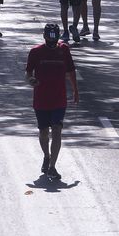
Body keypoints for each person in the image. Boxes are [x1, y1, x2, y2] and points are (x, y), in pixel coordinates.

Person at [25, 24, 79, 180]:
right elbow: (28, 73)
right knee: (43, 132)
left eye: (54, 42)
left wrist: (75, 90)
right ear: (44, 37)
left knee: (57, 130)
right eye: (49, 41)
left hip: (59, 99)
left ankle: (52, 166)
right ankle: (46, 155)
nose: (51, 45)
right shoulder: (36, 52)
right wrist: (31, 80)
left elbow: (71, 71)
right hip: (41, 100)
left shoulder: (64, 50)